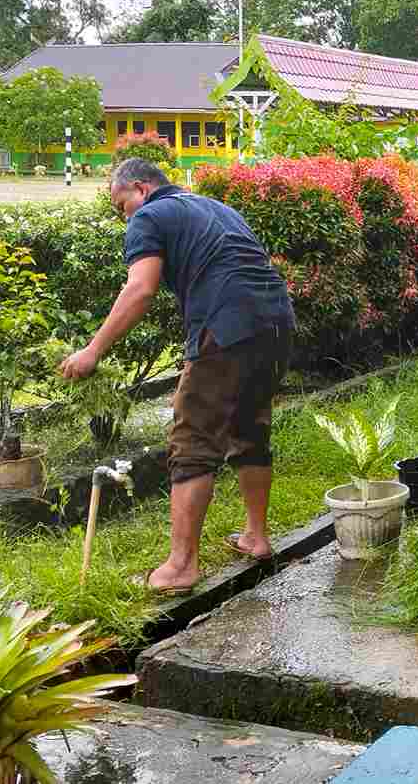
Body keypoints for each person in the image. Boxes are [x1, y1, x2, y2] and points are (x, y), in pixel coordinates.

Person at [60, 158, 296, 593]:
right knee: (250, 427)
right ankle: (256, 538)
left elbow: (141, 288)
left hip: (226, 324)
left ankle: (180, 567)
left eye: (121, 205)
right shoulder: (214, 207)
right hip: (277, 321)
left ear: (141, 188)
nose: (124, 217)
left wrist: (92, 350)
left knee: (191, 440)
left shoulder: (149, 215)